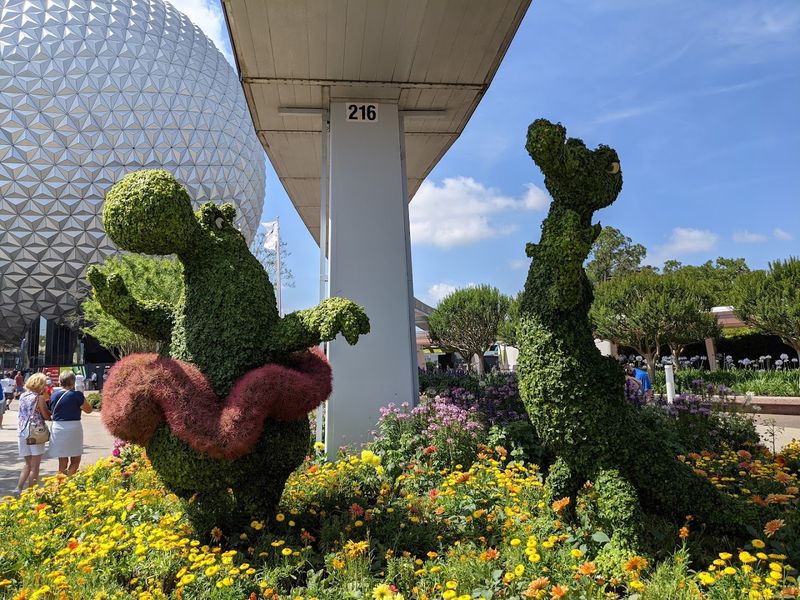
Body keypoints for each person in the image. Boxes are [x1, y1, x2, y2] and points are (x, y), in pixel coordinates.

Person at [48, 371, 92, 475]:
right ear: (73, 382)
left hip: (58, 428)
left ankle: (60, 485)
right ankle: (69, 481)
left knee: (62, 462)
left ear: (60, 381)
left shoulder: (54, 395)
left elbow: (50, 410)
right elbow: (88, 410)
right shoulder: (77, 395)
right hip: (73, 428)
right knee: (75, 460)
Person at [15, 373, 51, 494]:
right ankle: (31, 493)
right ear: (40, 385)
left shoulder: (23, 396)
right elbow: (45, 415)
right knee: (35, 466)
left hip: (22, 431)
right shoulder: (38, 398)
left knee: (27, 464)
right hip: (35, 433)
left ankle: (18, 487)